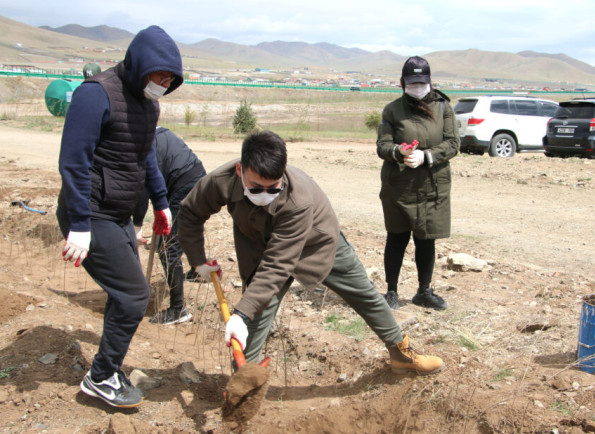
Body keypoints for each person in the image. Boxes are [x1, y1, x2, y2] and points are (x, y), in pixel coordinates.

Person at [178, 130, 444, 375]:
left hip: (317, 243)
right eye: (256, 188)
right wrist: (198, 260)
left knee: (366, 295)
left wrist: (240, 314)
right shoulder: (220, 181)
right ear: (239, 170)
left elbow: (279, 264)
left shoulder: (298, 198)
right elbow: (190, 212)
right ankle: (244, 383)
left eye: (273, 188)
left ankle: (402, 354)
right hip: (263, 248)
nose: (265, 195)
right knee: (256, 312)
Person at [57, 26, 183, 408]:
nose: (161, 84)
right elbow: (73, 162)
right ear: (140, 64)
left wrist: (160, 203)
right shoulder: (95, 94)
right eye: (158, 76)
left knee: (124, 293)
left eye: (169, 80)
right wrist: (79, 224)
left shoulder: (148, 104)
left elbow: (145, 155)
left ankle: (106, 369)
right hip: (90, 213)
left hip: (118, 214)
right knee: (133, 295)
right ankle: (101, 376)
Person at [376, 56, 459, 311]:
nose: (417, 87)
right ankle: (391, 292)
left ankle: (424, 291)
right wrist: (399, 151)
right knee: (397, 237)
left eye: (422, 82)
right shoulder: (392, 110)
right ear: (402, 83)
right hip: (399, 186)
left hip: (432, 186)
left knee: (426, 239)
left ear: (430, 81)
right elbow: (382, 146)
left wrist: (427, 156)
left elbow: (453, 143)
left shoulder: (444, 108)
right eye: (412, 83)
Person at [133, 126, 206, 325]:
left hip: (182, 183)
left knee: (168, 247)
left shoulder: (140, 143)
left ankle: (178, 309)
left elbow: (142, 191)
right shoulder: (155, 132)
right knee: (188, 228)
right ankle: (197, 270)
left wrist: (136, 228)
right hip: (196, 176)